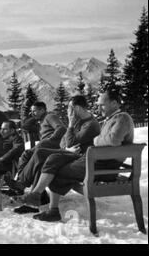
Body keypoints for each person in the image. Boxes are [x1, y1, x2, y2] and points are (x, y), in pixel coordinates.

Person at [22, 89, 135, 222]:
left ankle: (48, 206)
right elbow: (66, 142)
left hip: (104, 166)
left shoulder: (122, 118)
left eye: (102, 105)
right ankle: (39, 196)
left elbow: (113, 140)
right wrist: (98, 139)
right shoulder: (110, 119)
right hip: (98, 161)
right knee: (54, 158)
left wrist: (96, 140)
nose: (98, 108)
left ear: (115, 103)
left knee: (57, 169)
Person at [8, 95, 101, 214]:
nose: (68, 111)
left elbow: (70, 140)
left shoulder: (91, 124)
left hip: (79, 157)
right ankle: (32, 196)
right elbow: (64, 141)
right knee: (40, 156)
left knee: (41, 153)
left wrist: (70, 126)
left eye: (69, 108)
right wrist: (67, 147)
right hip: (70, 152)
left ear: (76, 108)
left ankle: (26, 188)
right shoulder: (79, 121)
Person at [15, 102, 67, 178]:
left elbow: (61, 128)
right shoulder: (40, 121)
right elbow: (25, 127)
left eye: (34, 111)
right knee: (27, 157)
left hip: (50, 144)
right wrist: (34, 116)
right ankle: (21, 180)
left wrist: (51, 139)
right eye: (31, 111)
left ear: (42, 110)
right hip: (44, 145)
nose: (32, 113)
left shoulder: (49, 116)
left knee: (26, 155)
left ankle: (20, 180)